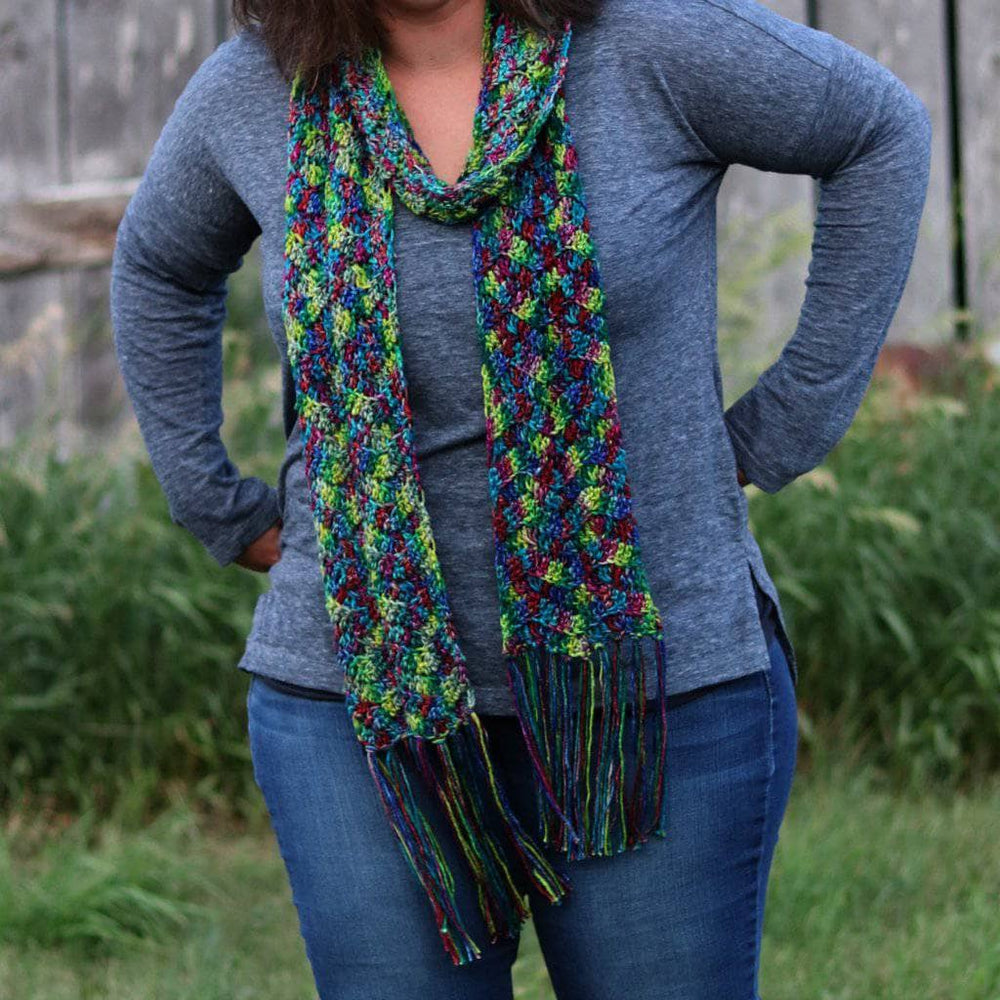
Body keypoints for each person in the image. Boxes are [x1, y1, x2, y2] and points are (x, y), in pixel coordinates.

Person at [109, 0, 931, 995]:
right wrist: (218, 505)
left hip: (655, 691)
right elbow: (158, 265)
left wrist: (787, 424)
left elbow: (878, 129)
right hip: (359, 703)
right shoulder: (255, 88)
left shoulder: (653, 44)